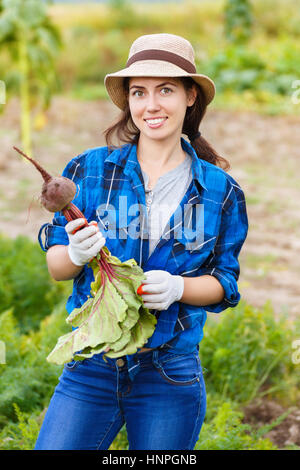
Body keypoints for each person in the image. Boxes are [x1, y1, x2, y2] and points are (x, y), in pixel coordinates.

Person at [35, 33, 248, 450]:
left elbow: (225, 283)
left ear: (190, 96)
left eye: (165, 90)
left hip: (169, 372)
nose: (151, 105)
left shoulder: (220, 191)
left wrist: (179, 288)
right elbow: (57, 268)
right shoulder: (90, 169)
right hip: (92, 365)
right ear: (128, 101)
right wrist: (76, 253)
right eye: (139, 92)